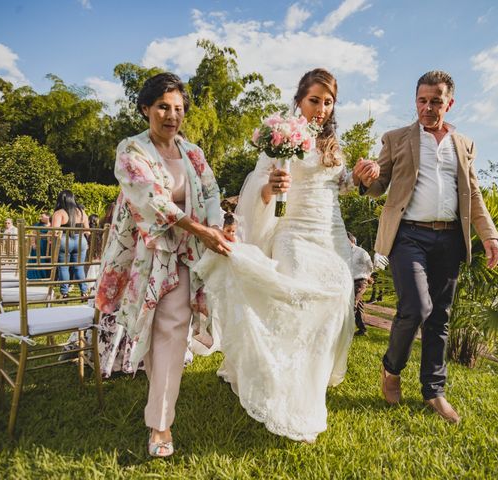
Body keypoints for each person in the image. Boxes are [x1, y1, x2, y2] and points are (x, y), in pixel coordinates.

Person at [194, 68, 379, 443]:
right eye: (315, 100)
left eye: (328, 102)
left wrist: (359, 176)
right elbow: (257, 191)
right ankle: (278, 381)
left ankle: (310, 379)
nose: (321, 109)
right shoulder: (279, 137)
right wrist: (269, 188)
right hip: (292, 231)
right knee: (295, 298)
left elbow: (341, 185)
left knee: (338, 295)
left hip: (330, 234)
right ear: (299, 100)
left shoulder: (332, 144)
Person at [94, 72, 231, 458]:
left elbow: (211, 192)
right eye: (163, 107)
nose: (172, 116)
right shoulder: (131, 150)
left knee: (171, 332)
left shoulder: (193, 153)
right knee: (156, 333)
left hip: (183, 256)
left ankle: (160, 425)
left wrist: (216, 229)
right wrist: (202, 231)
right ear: (145, 109)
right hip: (144, 256)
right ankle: (158, 401)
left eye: (178, 109)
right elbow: (151, 199)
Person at [355, 70, 498, 424]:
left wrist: (489, 234)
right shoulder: (397, 138)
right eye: (422, 100)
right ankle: (391, 369)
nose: (428, 107)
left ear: (449, 103)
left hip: (450, 238)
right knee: (416, 307)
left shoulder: (463, 144)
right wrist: (367, 178)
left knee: (440, 318)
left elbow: (473, 194)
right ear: (415, 101)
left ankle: (434, 391)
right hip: (408, 236)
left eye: (436, 101)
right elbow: (379, 186)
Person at [51, 190, 90, 298]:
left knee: (63, 267)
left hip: (64, 240)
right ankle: (84, 291)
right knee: (79, 267)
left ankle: (65, 293)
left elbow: (55, 231)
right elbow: (88, 230)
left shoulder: (59, 213)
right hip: (80, 240)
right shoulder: (82, 212)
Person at [347, 232, 373, 336]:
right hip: (350, 281)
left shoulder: (361, 252)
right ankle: (362, 329)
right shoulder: (345, 253)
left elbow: (370, 266)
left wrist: (367, 276)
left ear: (352, 240)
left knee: (351, 303)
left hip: (361, 281)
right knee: (359, 306)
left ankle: (346, 330)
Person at [27, 212, 51, 280]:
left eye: (42, 216)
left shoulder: (52, 224)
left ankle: (47, 276)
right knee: (38, 259)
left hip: (48, 244)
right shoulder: (37, 225)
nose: (40, 218)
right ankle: (37, 276)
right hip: (39, 243)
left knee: (47, 259)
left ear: (48, 217)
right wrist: (33, 244)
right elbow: (33, 235)